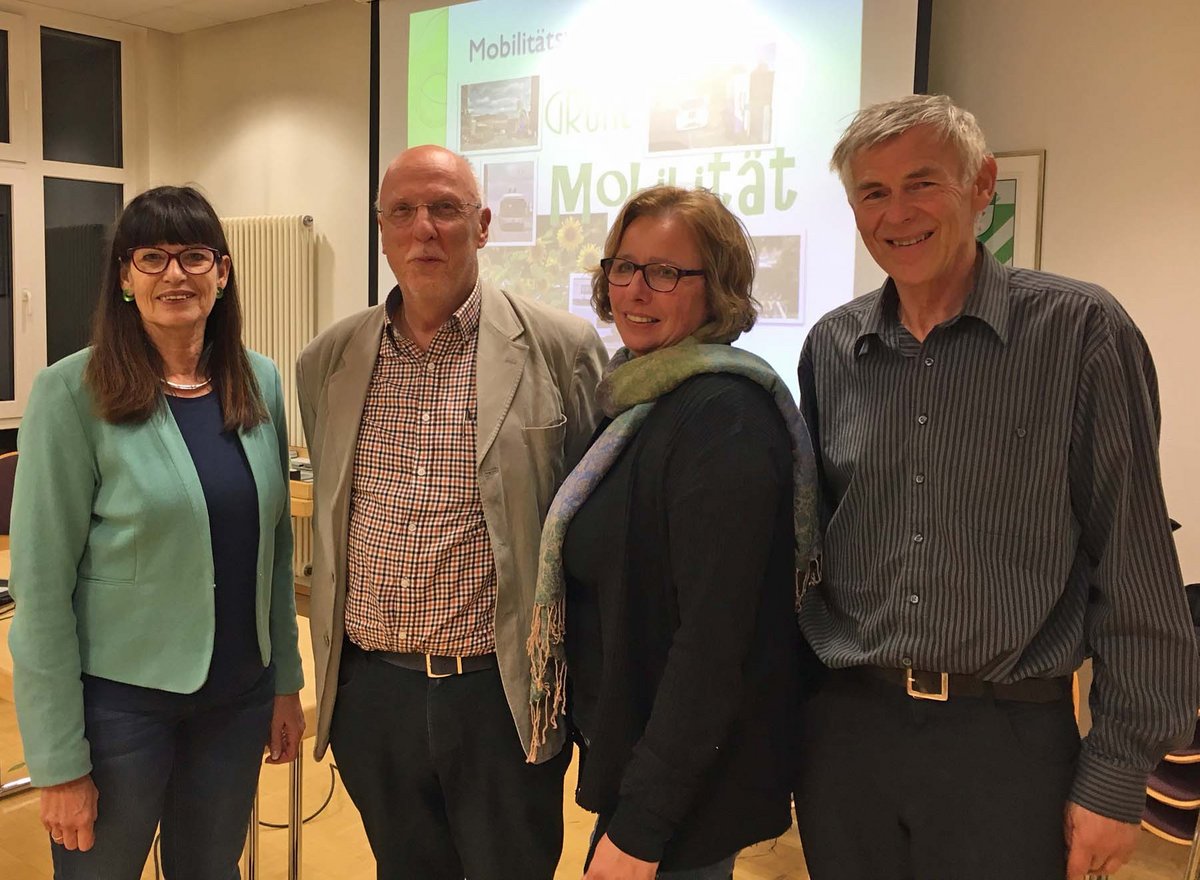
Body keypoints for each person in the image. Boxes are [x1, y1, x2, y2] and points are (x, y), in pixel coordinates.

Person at [795, 93, 1200, 880]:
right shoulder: (832, 348)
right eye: (873, 192)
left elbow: (1134, 563)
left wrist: (1118, 774)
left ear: (981, 184)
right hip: (846, 733)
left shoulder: (1081, 333)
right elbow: (811, 553)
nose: (896, 214)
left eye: (922, 183)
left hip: (1006, 744)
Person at [296, 144, 607, 879]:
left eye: (445, 208)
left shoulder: (561, 349)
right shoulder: (328, 360)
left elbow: (592, 532)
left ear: (484, 224)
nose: (424, 229)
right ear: (381, 230)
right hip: (373, 695)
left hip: (498, 695)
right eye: (402, 212)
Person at [7, 185, 305, 879]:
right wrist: (58, 761)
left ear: (222, 273)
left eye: (194, 256)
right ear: (125, 277)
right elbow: (41, 589)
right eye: (152, 257)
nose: (175, 274)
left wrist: (285, 682)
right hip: (120, 712)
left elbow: (274, 552)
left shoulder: (258, 381)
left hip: (237, 700)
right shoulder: (71, 392)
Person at [527, 185, 822, 879]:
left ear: (716, 287)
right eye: (624, 267)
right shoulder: (637, 397)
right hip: (645, 764)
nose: (636, 289)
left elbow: (712, 646)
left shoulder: (724, 416)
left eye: (665, 272)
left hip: (682, 792)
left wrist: (643, 824)